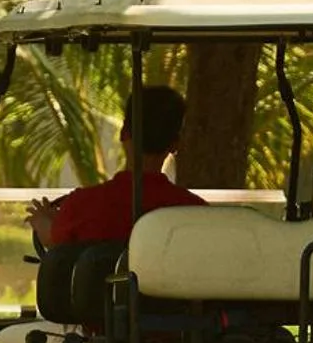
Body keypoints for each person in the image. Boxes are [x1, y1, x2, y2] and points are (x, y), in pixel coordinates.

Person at [28, 84, 205, 250]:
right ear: (175, 144)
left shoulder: (82, 206)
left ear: (124, 133)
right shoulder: (194, 212)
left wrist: (42, 220)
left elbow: (54, 241)